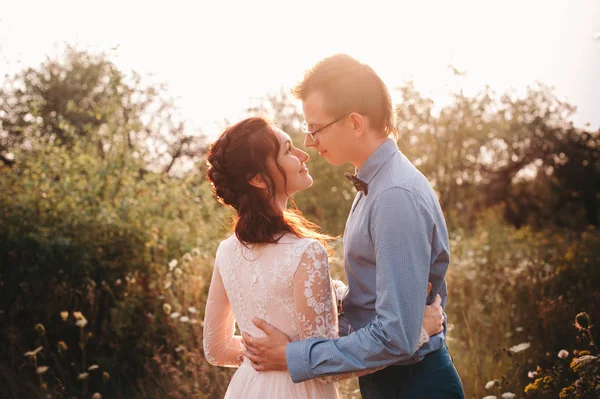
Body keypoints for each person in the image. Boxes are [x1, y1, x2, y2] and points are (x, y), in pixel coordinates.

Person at [241, 54, 465, 398]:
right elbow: (379, 298)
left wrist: (293, 356)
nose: (309, 143)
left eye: (314, 129)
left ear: (356, 123)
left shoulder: (394, 195)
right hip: (388, 381)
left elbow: (396, 337)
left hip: (415, 385)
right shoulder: (373, 184)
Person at [202, 116, 445, 398]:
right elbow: (328, 367)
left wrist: (267, 356)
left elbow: (216, 349)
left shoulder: (227, 252)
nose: (303, 154)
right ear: (258, 179)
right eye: (288, 150)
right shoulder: (305, 252)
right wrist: (417, 333)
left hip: (248, 389)